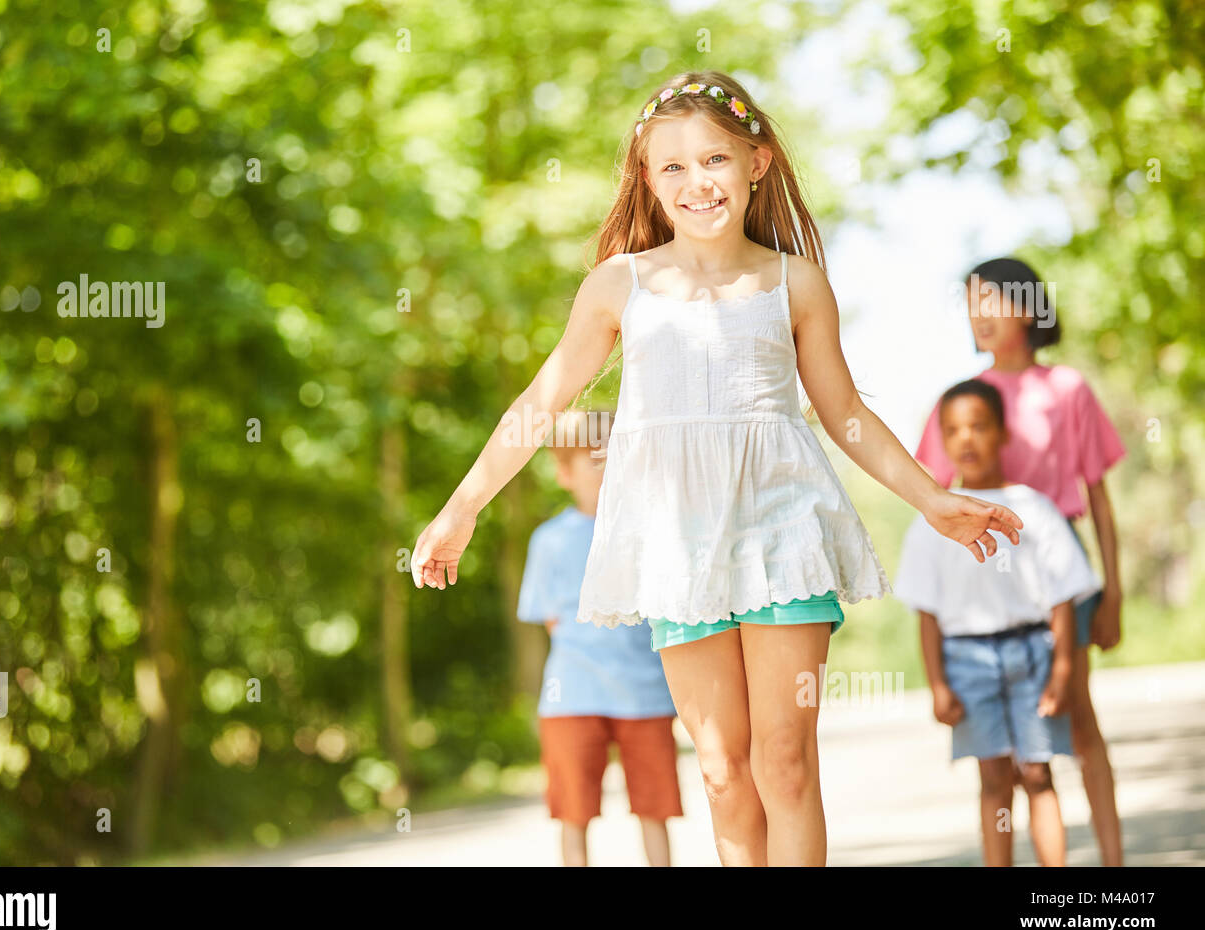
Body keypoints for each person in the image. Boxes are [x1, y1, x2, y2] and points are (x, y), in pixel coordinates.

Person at [410, 70, 1023, 866]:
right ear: (646, 177)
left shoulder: (794, 284)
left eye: (715, 160)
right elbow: (539, 402)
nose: (697, 182)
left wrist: (935, 500)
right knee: (725, 773)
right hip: (675, 547)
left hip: (783, 530)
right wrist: (462, 508)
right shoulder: (618, 286)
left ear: (755, 162)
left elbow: (843, 414)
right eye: (673, 167)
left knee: (785, 764)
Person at [914, 256, 1127, 865]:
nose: (978, 316)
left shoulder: (1066, 390)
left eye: (990, 302)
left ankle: (1114, 868)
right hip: (986, 580)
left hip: (1062, 578)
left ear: (1027, 305)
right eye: (970, 305)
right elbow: (934, 495)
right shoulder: (964, 402)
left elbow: (1099, 500)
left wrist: (1111, 594)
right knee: (1007, 758)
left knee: (1079, 722)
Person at [896, 380, 1100, 866]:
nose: (967, 439)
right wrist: (938, 685)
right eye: (953, 430)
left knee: (1037, 774)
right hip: (967, 661)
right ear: (943, 441)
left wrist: (1063, 671)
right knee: (992, 779)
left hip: (1032, 655)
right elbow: (926, 615)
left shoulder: (1032, 508)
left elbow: (1062, 598)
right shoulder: (932, 521)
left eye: (979, 426)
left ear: (1003, 434)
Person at [516, 409, 683, 866]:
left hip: (645, 694)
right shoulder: (548, 541)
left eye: (616, 456)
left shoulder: (651, 533)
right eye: (594, 459)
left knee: (655, 807)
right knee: (573, 812)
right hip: (573, 695)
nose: (608, 467)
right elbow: (551, 619)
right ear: (563, 471)